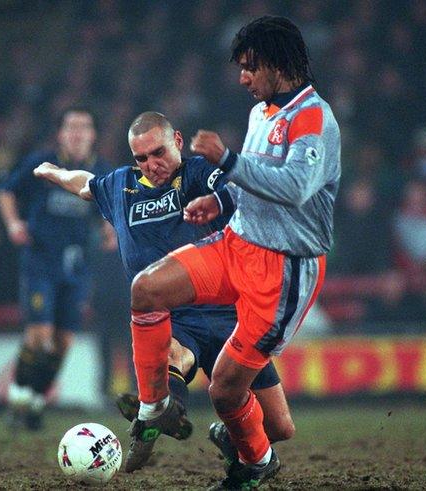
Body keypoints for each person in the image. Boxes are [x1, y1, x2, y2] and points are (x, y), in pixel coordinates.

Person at [126, 17, 341, 489]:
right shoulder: (261, 112)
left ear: (276, 64)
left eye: (249, 67)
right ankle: (154, 406)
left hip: (284, 270)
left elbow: (298, 187)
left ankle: (256, 461)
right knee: (146, 289)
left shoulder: (315, 118)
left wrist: (227, 161)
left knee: (226, 389)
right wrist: (220, 199)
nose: (242, 77)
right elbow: (250, 184)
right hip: (235, 244)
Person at [33, 111, 295, 473]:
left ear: (177, 141)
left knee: (280, 427)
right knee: (173, 355)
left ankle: (208, 429)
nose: (151, 165)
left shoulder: (200, 172)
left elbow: (238, 189)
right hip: (171, 316)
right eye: (141, 157)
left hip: (230, 313)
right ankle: (157, 413)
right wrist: (52, 172)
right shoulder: (121, 187)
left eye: (158, 153)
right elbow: (84, 184)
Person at [0, 106, 110, 430]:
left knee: (63, 343)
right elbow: (5, 190)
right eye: (70, 126)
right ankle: (18, 396)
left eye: (83, 126)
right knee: (39, 336)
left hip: (77, 268)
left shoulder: (100, 169)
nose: (77, 132)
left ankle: (35, 403)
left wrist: (109, 227)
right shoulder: (40, 163)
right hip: (40, 262)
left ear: (93, 135)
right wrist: (13, 223)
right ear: (60, 134)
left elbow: (111, 205)